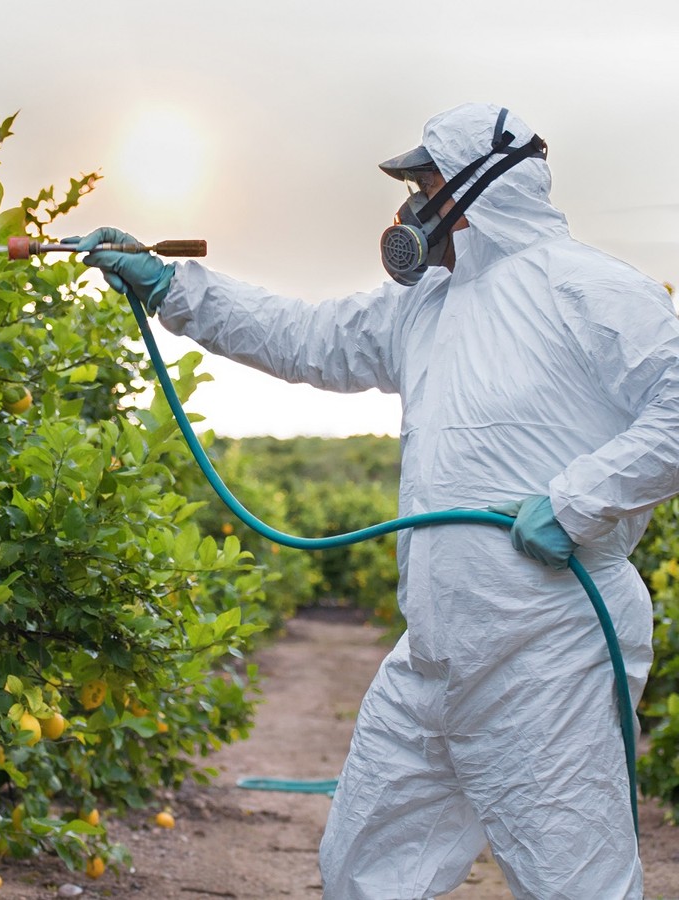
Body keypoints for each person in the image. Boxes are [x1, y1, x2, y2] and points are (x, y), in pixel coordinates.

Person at [75, 102, 679, 898]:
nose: (406, 206)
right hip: (435, 650)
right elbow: (304, 335)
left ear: (473, 189)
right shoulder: (425, 306)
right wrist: (172, 288)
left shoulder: (590, 289)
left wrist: (578, 502)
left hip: (549, 649)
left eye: (421, 183)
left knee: (574, 883)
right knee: (365, 869)